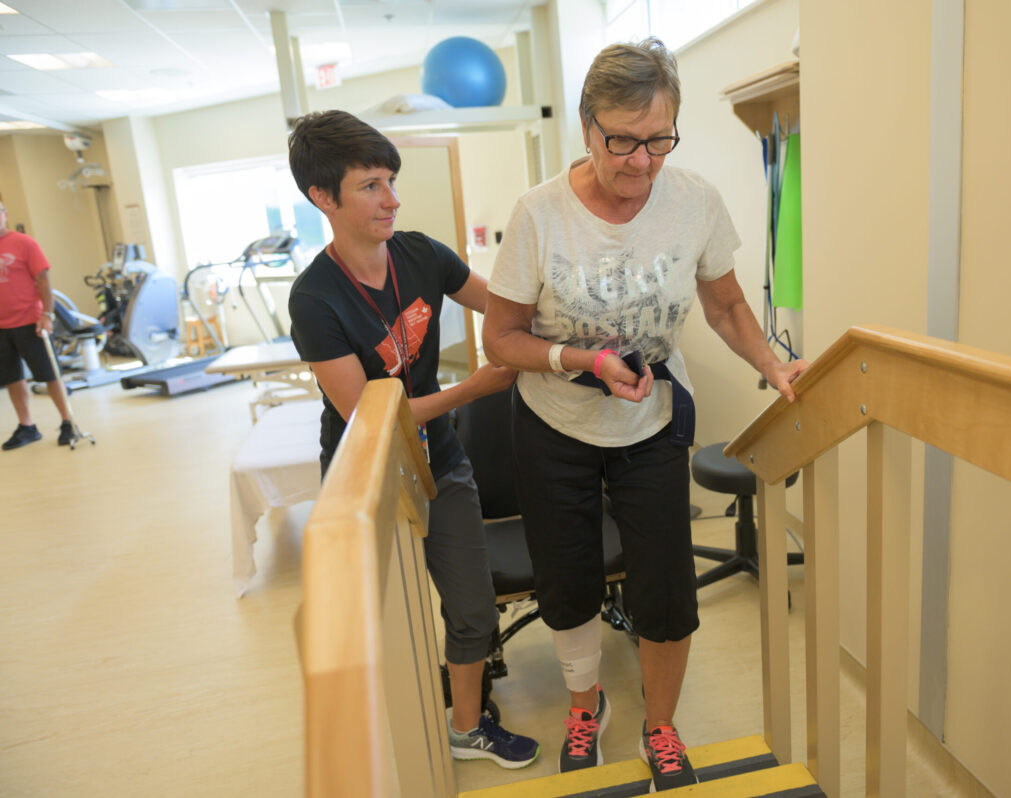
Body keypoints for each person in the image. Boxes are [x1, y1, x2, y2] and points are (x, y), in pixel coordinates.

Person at [482, 38, 808, 791]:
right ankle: (584, 705)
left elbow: (727, 305)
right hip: (553, 422)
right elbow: (500, 338)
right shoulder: (538, 213)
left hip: (653, 420)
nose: (641, 162)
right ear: (587, 127)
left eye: (659, 140)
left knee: (665, 588)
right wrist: (583, 360)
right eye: (622, 141)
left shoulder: (694, 200)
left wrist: (771, 364)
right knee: (568, 582)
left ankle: (661, 725)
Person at [286, 110, 539, 769]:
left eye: (391, 181)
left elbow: (505, 308)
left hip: (440, 461)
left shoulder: (422, 254)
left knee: (473, 605)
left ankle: (466, 726)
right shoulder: (314, 299)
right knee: (386, 625)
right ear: (323, 197)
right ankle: (391, 745)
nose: (392, 199)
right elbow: (370, 418)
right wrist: (472, 389)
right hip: (367, 476)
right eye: (371, 186)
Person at [0, 202, 77, 451]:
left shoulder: (24, 243)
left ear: (5, 215)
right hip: (1, 326)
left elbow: (43, 279)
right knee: (12, 378)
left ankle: (68, 421)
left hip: (30, 321)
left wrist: (47, 314)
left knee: (49, 374)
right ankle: (27, 427)